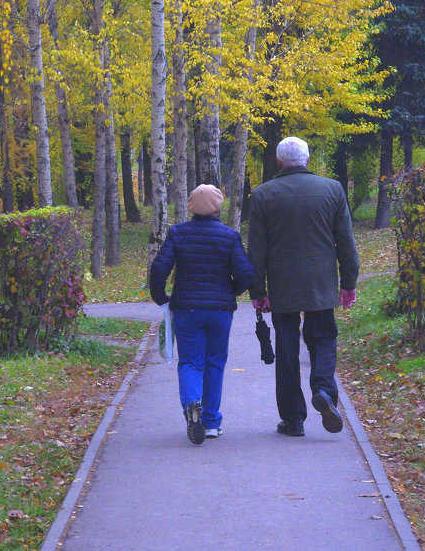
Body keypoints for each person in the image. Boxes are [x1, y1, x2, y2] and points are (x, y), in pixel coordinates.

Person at [248, 136, 359, 438]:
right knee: (323, 339)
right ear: (307, 160)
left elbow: (256, 250)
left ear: (280, 161)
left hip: (282, 285)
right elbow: (346, 243)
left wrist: (258, 291)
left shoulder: (262, 195)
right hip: (321, 283)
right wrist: (348, 282)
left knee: (287, 350)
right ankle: (323, 389)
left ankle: (293, 419)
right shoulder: (332, 190)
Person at [150, 184, 255, 445]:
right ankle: (210, 422)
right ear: (218, 208)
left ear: (190, 208)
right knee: (215, 362)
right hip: (220, 311)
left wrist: (160, 297)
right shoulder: (229, 236)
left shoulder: (178, 233)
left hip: (187, 308)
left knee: (189, 362)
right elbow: (245, 273)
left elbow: (159, 268)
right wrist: (231, 291)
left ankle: (191, 404)